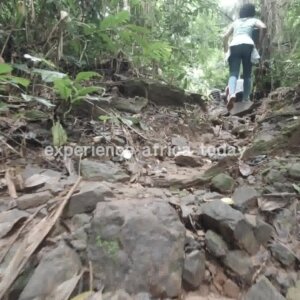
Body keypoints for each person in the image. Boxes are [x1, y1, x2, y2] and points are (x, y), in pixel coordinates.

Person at [223, 3, 266, 110]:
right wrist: (259, 43)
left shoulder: (235, 22)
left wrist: (226, 48)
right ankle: (245, 99)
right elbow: (264, 27)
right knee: (247, 75)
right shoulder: (254, 20)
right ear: (252, 12)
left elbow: (225, 36)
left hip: (234, 45)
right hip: (248, 44)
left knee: (233, 73)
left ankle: (232, 94)